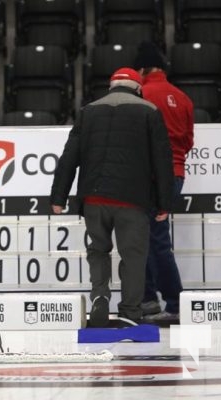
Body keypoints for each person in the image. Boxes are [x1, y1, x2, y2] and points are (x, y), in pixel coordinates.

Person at [50, 67, 174, 327]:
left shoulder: (89, 111)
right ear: (138, 88)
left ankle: (100, 298)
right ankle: (129, 311)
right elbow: (162, 161)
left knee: (98, 251)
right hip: (133, 200)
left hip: (94, 199)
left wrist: (58, 197)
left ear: (111, 86)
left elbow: (69, 157)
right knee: (133, 256)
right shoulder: (149, 111)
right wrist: (165, 202)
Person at [134, 41, 194, 321]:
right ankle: (149, 302)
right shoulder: (183, 98)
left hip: (150, 175)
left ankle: (174, 303)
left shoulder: (141, 94)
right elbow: (188, 142)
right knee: (150, 237)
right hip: (176, 174)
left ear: (143, 68)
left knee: (150, 239)